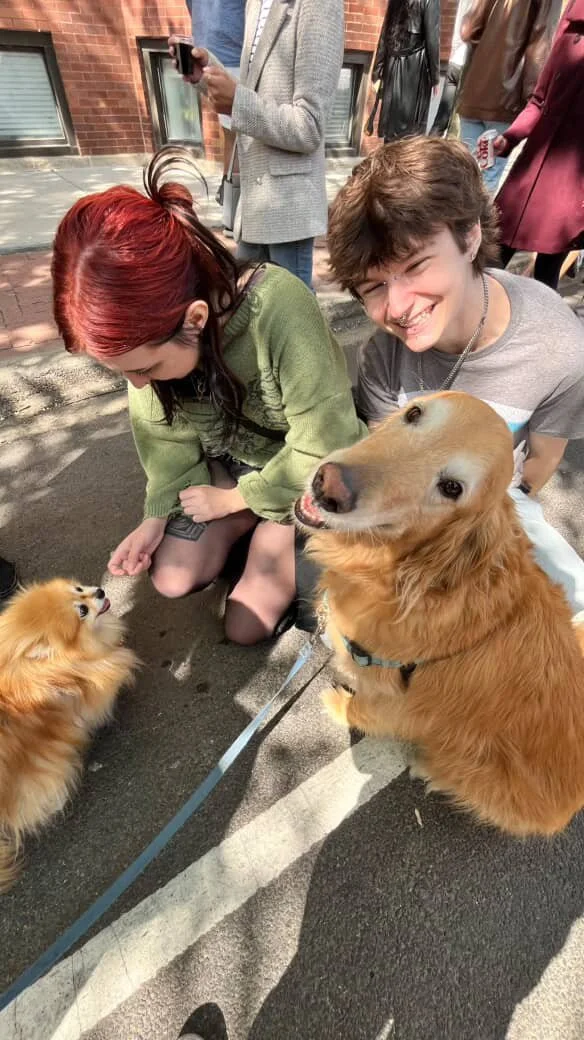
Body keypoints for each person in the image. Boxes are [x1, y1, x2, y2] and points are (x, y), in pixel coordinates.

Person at [52, 148, 364, 645]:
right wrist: (156, 516)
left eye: (145, 368)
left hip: (300, 472)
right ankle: (248, 533)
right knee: (172, 577)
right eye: (123, 374)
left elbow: (325, 443)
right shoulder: (151, 353)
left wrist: (237, 499)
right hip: (233, 466)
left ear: (195, 320)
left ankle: (266, 531)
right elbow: (164, 440)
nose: (138, 385)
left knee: (245, 627)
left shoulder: (277, 307)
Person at [326, 136, 584, 618]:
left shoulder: (559, 347)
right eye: (373, 287)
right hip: (405, 502)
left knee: (574, 600)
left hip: (493, 505)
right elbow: (386, 461)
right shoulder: (382, 356)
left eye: (415, 265)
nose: (397, 307)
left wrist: (473, 536)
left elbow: (537, 467)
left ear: (469, 237)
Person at [173, 0, 344, 288]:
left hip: (289, 206)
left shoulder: (319, 4)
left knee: (292, 322)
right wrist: (206, 76)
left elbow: (309, 126)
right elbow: (255, 91)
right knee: (249, 312)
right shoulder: (254, 3)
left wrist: (237, 101)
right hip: (253, 201)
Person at [493, 0, 584, 291]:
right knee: (491, 258)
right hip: (529, 172)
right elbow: (538, 100)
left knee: (546, 274)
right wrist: (509, 137)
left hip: (569, 184)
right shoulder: (569, 27)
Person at [455, 0, 559, 192]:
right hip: (506, 100)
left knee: (465, 176)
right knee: (485, 181)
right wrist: (535, 101)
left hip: (474, 92)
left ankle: (454, 221)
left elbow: (468, 30)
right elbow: (540, 45)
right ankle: (475, 222)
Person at [186, 0, 245, 227]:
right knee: (239, 134)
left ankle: (231, 203)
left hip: (210, 46)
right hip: (234, 52)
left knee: (231, 133)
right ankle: (233, 213)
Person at [368, 0, 440, 141]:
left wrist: (377, 70)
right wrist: (435, 77)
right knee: (410, 133)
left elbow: (385, 33)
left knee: (391, 131)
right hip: (414, 70)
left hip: (392, 65)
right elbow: (433, 39)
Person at [429, 0, 473, 137]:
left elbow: (457, 27)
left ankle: (428, 151)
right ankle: (450, 156)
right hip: (469, 63)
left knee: (440, 119)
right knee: (457, 124)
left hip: (455, 60)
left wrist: (453, 52)